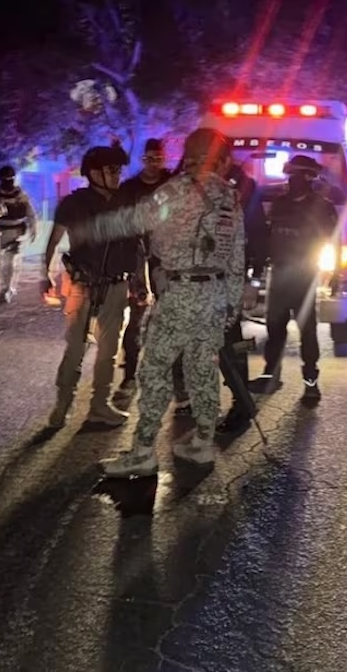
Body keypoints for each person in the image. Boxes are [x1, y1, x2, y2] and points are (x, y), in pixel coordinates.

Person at [78, 128, 255, 477]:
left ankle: (143, 451)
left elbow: (134, 220)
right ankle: (202, 443)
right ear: (222, 159)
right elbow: (237, 258)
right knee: (203, 370)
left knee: (155, 370)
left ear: (189, 154)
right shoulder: (230, 199)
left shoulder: (176, 190)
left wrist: (91, 228)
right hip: (214, 295)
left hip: (179, 293)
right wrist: (231, 307)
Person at [37, 145, 136, 429]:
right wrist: (46, 274)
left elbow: (137, 245)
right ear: (94, 173)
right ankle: (62, 406)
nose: (117, 175)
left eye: (119, 170)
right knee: (75, 349)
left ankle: (99, 406)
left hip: (117, 286)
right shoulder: (74, 203)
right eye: (111, 170)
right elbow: (54, 241)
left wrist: (142, 282)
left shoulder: (125, 201)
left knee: (109, 351)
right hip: (83, 286)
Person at [250, 155, 339, 402]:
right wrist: (258, 271)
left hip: (305, 278)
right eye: (289, 174)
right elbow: (269, 239)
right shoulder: (280, 204)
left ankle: (311, 383)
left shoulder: (323, 207)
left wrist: (335, 274)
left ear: (309, 178)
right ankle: (270, 376)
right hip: (279, 275)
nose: (291, 180)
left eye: (296, 175)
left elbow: (332, 242)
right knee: (274, 328)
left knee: (307, 331)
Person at [114, 138, 176, 404]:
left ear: (164, 159)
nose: (153, 164)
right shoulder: (129, 188)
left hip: (169, 261)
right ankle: (130, 375)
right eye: (149, 159)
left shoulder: (175, 184)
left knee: (170, 320)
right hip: (137, 260)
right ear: (143, 160)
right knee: (136, 320)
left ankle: (169, 377)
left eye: (158, 159)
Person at [218, 161, 269, 433]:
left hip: (230, 279)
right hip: (198, 282)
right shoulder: (194, 187)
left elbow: (260, 239)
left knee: (231, 343)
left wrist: (255, 281)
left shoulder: (244, 188)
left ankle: (242, 403)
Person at [0, 165, 37, 303]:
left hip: (16, 233)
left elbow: (30, 213)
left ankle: (7, 289)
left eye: (10, 178)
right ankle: (6, 287)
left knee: (11, 261)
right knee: (2, 263)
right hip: (0, 234)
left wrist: (33, 229)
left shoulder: (21, 195)